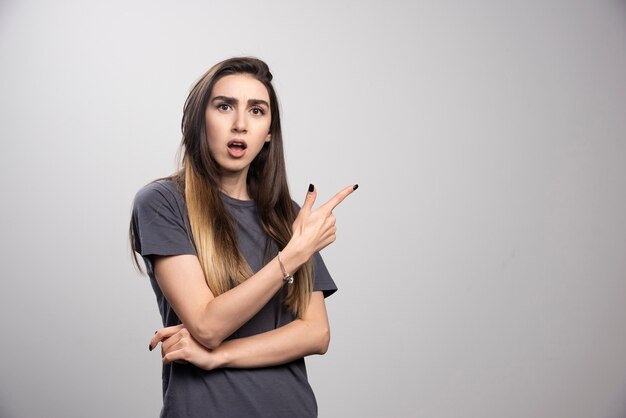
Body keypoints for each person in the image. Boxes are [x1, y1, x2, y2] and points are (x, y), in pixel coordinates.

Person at [129, 56, 357, 417]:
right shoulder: (162, 202)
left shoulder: (288, 215)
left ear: (269, 131)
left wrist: (218, 356)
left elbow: (316, 333)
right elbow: (205, 325)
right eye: (224, 107)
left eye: (256, 111)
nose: (240, 124)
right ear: (198, 120)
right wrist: (291, 257)